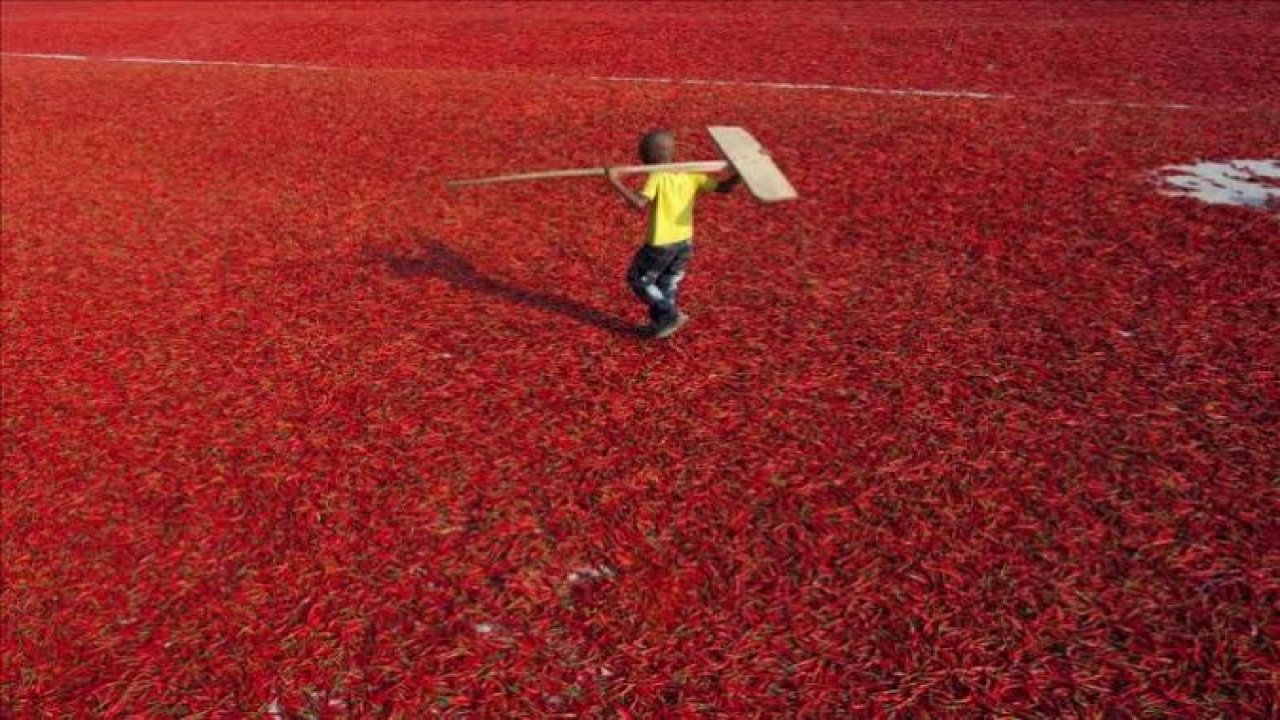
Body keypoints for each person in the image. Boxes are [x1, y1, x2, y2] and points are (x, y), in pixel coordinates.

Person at [606, 130, 741, 339]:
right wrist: (739, 174)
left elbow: (640, 203)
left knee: (638, 279)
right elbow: (724, 187)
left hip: (661, 243)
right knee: (666, 282)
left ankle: (668, 314)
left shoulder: (658, 175)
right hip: (684, 242)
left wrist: (615, 181)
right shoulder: (690, 173)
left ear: (648, 157)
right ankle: (661, 324)